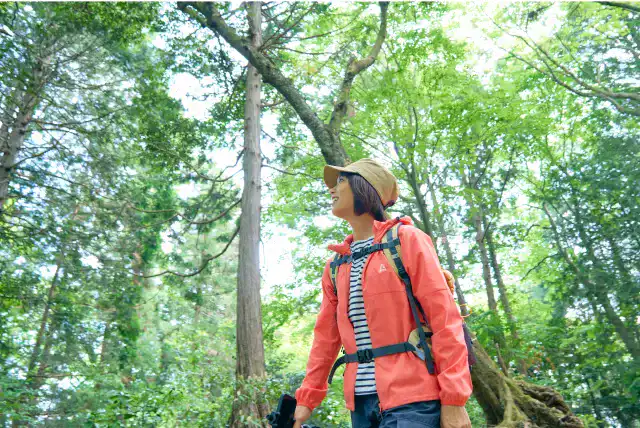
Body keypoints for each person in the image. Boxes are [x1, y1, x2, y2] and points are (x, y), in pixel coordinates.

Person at [293, 158, 473, 428]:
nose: (331, 189)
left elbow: (446, 322)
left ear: (365, 187)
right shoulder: (336, 266)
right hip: (361, 405)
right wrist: (305, 402)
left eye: (341, 181)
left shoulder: (407, 240)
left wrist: (454, 400)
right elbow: (325, 340)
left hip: (414, 401)